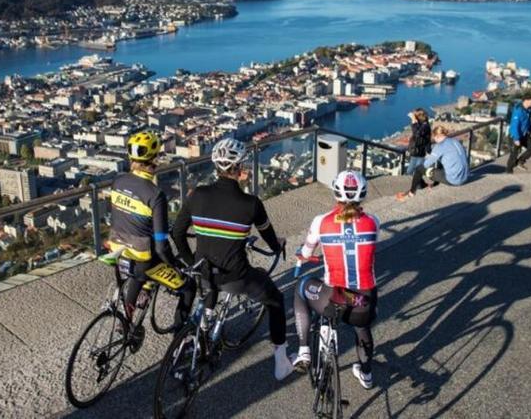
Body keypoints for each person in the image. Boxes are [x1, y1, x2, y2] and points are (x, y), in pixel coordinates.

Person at [172, 137, 292, 380]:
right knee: (276, 300)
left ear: (216, 166)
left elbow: (177, 233)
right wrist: (277, 245)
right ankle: (281, 361)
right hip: (235, 276)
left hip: (203, 270)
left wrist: (191, 261)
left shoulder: (197, 195)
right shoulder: (251, 204)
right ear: (240, 168)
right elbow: (269, 238)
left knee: (207, 297)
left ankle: (199, 336)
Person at [292, 170, 380, 389]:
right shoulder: (373, 222)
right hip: (363, 302)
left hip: (335, 297)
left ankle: (304, 350)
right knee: (362, 327)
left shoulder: (321, 222)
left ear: (335, 193)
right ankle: (366, 374)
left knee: (302, 286)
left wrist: (304, 255)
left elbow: (307, 249)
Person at [108, 130, 195, 328]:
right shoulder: (155, 195)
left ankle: (126, 324)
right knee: (189, 286)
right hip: (142, 257)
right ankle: (179, 339)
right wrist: (175, 264)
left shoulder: (118, 181)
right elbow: (161, 247)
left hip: (119, 249)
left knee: (140, 273)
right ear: (155, 159)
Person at [396, 126, 468, 201]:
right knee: (440, 164)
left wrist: (427, 157)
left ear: (436, 136)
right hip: (465, 176)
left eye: (434, 138)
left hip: (454, 180)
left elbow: (425, 165)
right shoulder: (454, 141)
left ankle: (411, 193)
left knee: (419, 169)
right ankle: (433, 184)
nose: (434, 140)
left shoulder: (440, 146)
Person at [506, 94, 531, 173]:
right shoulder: (518, 111)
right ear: (526, 100)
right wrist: (516, 138)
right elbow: (515, 126)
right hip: (515, 136)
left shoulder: (528, 110)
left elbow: (528, 121)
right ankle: (509, 171)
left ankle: (520, 161)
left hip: (524, 135)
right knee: (513, 155)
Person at [406, 108, 432, 175]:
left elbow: (417, 133)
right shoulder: (423, 124)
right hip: (417, 151)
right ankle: (416, 183)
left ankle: (414, 183)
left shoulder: (425, 125)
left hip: (419, 152)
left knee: (414, 171)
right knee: (413, 170)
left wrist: (414, 120)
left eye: (415, 116)